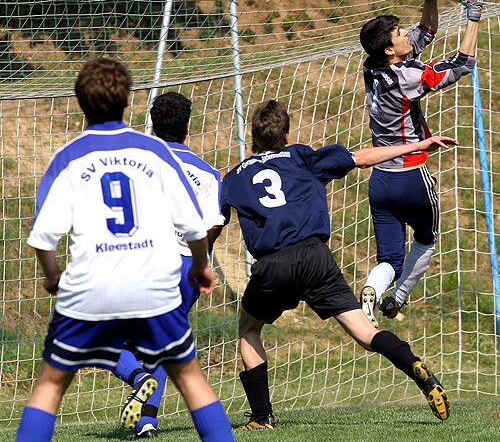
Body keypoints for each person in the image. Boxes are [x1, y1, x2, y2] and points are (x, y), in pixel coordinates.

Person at [16, 59, 234, 442]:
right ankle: (146, 397)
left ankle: (137, 384)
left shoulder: (68, 157)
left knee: (49, 385)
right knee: (191, 378)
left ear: (81, 103)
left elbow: (43, 236)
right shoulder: (154, 151)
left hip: (91, 282)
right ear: (127, 100)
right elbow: (193, 225)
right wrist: (201, 265)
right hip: (155, 280)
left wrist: (53, 277)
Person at [220, 100, 455, 430]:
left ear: (253, 137)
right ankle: (414, 365)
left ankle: (262, 418)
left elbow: (213, 221)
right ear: (286, 135)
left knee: (248, 330)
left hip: (273, 265)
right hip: (316, 257)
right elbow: (363, 157)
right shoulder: (301, 156)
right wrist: (418, 144)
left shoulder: (234, 178)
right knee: (365, 332)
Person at [358, 0, 487, 327]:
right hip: (412, 177)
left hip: (380, 181)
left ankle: (372, 289)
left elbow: (425, 32)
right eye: (400, 32)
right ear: (390, 49)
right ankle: (398, 297)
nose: (406, 34)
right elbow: (462, 63)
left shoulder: (372, 67)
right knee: (427, 240)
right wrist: (473, 13)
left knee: (389, 259)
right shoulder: (410, 76)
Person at [110, 91, 225, 438]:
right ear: (188, 127)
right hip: (186, 265)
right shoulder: (208, 174)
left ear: (152, 125)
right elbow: (213, 224)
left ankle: (137, 377)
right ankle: (147, 421)